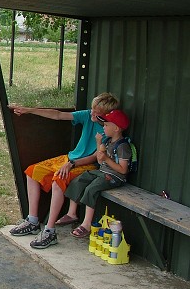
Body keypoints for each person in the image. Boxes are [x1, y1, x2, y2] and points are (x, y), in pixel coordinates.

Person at [8, 92, 120, 249]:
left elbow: (96, 157)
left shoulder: (108, 129)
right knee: (32, 172)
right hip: (70, 159)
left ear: (107, 115)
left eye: (97, 113)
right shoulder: (88, 115)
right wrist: (29, 110)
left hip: (85, 164)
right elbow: (58, 115)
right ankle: (33, 221)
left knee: (58, 180)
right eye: (92, 109)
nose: (92, 114)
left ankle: (49, 230)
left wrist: (72, 164)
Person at [65, 110, 132, 239]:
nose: (104, 127)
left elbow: (123, 170)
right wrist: (99, 143)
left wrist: (107, 159)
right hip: (102, 172)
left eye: (106, 125)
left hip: (115, 177)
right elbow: (100, 160)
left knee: (92, 189)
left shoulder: (123, 146)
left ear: (116, 128)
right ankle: (71, 213)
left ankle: (86, 224)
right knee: (79, 180)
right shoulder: (107, 141)